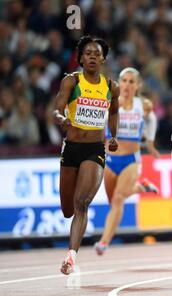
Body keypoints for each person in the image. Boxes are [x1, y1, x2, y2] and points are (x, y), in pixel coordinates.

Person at [53, 35, 119, 275]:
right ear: (81, 58)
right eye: (88, 53)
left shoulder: (111, 87)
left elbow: (114, 112)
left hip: (94, 150)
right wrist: (62, 118)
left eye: (97, 53)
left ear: (103, 59)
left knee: (82, 203)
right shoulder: (71, 82)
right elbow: (57, 108)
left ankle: (71, 256)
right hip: (70, 148)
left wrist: (113, 136)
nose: (92, 56)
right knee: (67, 209)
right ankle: (73, 244)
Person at [94, 67, 160, 255]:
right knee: (112, 200)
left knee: (118, 199)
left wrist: (150, 142)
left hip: (131, 160)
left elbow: (152, 120)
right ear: (118, 83)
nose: (127, 85)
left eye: (132, 82)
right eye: (124, 80)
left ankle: (103, 242)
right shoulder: (109, 103)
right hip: (110, 159)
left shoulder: (143, 105)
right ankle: (141, 187)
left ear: (137, 85)